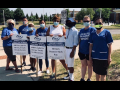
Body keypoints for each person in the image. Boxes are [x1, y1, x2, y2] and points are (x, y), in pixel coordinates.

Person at [78, 16, 96, 81]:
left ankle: (89, 78)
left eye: (87, 21)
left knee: (89, 65)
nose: (86, 22)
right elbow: (79, 40)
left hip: (89, 52)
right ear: (83, 22)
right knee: (83, 65)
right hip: (82, 51)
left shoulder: (93, 30)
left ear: (90, 22)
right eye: (85, 21)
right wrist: (79, 49)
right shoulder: (81, 30)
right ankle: (82, 78)